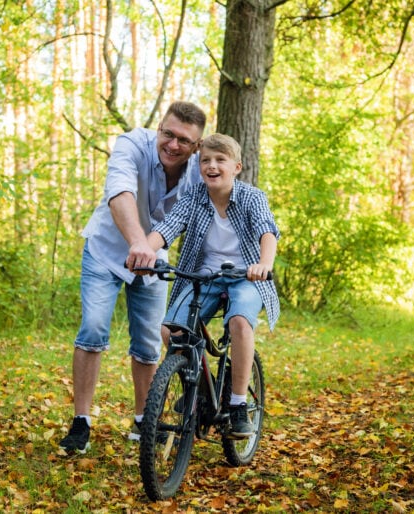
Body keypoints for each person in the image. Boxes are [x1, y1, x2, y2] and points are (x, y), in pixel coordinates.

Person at [58, 101, 207, 454]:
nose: (172, 144)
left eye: (183, 141)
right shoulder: (131, 144)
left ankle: (143, 421)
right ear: (159, 128)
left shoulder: (201, 168)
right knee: (93, 328)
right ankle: (81, 422)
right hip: (107, 251)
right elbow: (120, 192)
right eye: (167, 134)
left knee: (147, 342)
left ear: (196, 146)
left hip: (153, 261)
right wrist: (139, 243)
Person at [139, 133, 279, 438]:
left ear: (237, 167)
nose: (211, 166)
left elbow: (267, 232)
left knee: (241, 323)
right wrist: (145, 250)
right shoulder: (193, 197)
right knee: (171, 331)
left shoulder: (252, 198)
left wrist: (264, 264)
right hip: (205, 275)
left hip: (246, 276)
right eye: (205, 160)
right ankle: (201, 390)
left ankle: (239, 404)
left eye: (220, 160)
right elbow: (168, 226)